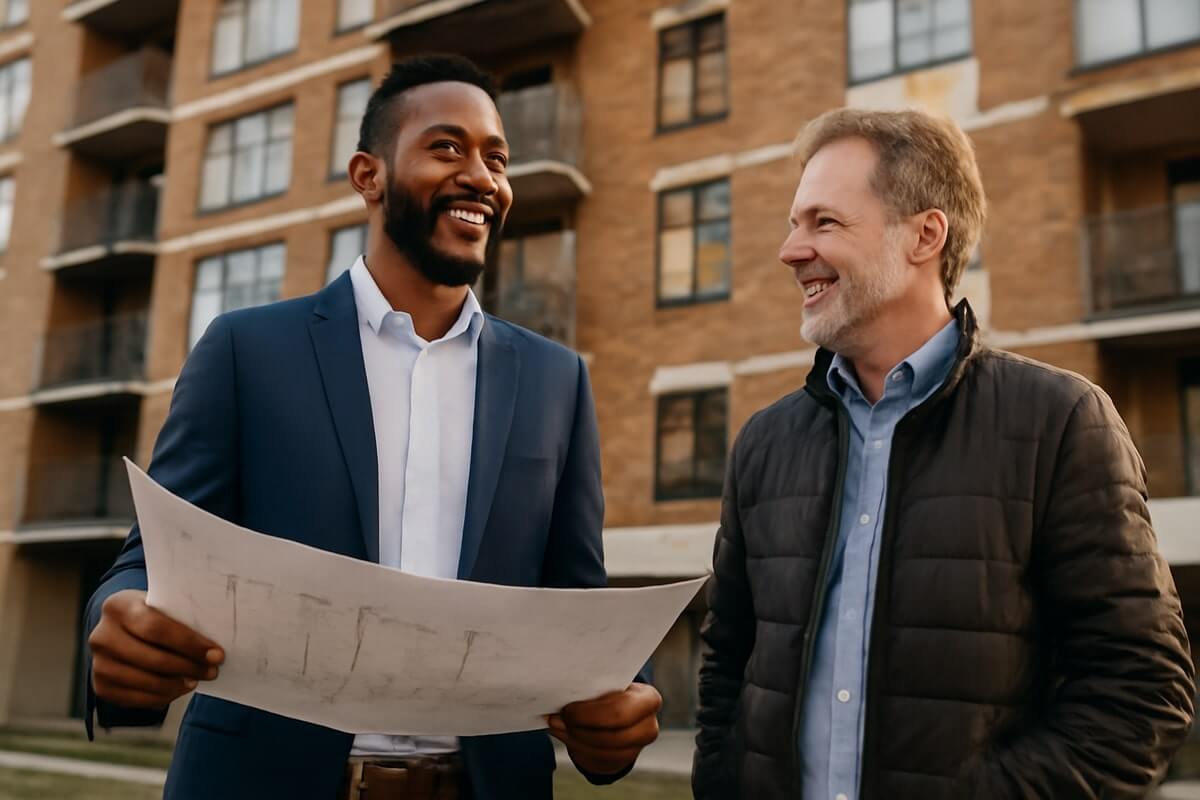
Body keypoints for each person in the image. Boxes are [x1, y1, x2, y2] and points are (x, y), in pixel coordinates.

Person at [83, 55, 660, 800]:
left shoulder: (557, 381)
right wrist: (117, 615)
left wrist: (623, 703)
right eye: (447, 147)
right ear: (369, 175)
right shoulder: (245, 351)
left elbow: (578, 595)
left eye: (497, 158)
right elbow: (148, 563)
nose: (483, 177)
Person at [692, 107, 1195, 799]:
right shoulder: (763, 443)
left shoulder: (1061, 423)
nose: (791, 250)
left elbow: (1141, 693)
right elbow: (726, 668)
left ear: (925, 234)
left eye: (824, 222)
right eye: (793, 223)